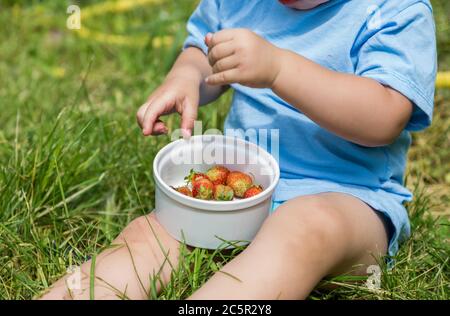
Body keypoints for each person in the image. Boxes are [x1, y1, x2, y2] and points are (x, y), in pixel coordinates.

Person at [40, 0, 437, 300]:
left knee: (303, 228)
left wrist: (280, 69)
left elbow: (384, 117)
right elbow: (203, 50)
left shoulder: (392, 10)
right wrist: (186, 78)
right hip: (242, 193)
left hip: (347, 201)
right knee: (149, 235)